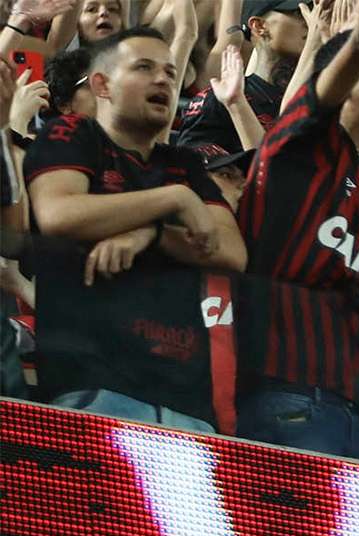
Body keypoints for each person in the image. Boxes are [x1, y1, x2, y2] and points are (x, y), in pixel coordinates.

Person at [25, 26, 246, 432]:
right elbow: (59, 214)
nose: (162, 78)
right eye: (144, 67)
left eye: (168, 70)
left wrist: (152, 234)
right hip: (93, 388)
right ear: (102, 84)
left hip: (187, 405)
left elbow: (231, 250)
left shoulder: (182, 162)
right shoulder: (71, 133)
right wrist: (174, 201)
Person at [232, 0, 359, 462]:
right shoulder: (303, 142)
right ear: (342, 83)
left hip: (353, 413)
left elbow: (357, 297)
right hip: (283, 394)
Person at [178, 0, 307, 152]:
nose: (310, 22)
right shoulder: (218, 101)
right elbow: (200, 172)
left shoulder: (324, 100)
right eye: (298, 13)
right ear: (259, 26)